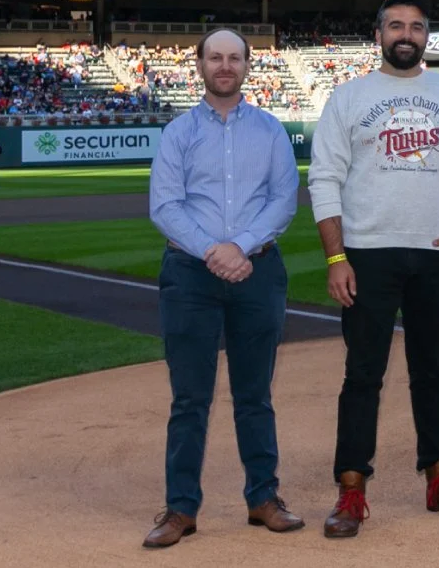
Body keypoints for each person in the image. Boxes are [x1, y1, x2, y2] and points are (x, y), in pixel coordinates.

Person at [308, 0, 439, 539]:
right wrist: (336, 256)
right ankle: (350, 490)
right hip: (367, 253)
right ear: (379, 35)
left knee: (431, 372)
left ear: (426, 36)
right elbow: (324, 179)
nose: (405, 35)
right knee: (362, 375)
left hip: (437, 252)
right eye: (395, 26)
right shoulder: (348, 97)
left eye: (415, 26)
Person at [142, 28, 303, 549]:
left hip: (257, 270)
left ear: (248, 66)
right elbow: (164, 204)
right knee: (189, 398)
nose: (225, 65)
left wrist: (241, 246)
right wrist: (215, 250)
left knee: (255, 396)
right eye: (216, 57)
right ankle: (181, 509)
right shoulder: (179, 132)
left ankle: (263, 499)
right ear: (200, 65)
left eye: (235, 57)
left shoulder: (271, 130)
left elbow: (284, 199)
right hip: (190, 273)